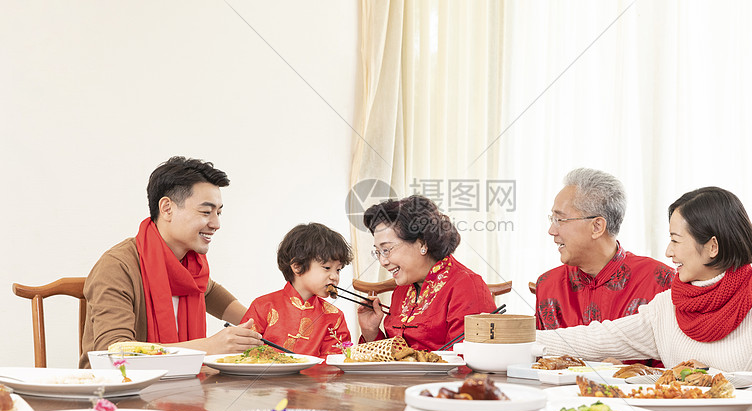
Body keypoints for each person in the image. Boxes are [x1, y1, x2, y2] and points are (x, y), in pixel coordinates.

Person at [535, 186, 752, 397]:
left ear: (712, 247)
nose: (668, 252)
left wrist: (706, 382)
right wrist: (514, 338)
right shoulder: (667, 307)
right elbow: (597, 338)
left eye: (675, 240)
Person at [79, 156, 261, 367]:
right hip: (118, 393)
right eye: (206, 212)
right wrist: (209, 347)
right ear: (167, 209)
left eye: (218, 213)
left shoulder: (193, 271)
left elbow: (245, 317)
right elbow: (113, 354)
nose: (216, 223)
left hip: (181, 388)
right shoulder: (117, 267)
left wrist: (275, 323)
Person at [535, 168, 674, 330]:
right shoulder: (548, 285)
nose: (551, 231)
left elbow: (677, 354)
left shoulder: (660, 281)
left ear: (597, 226)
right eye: (552, 219)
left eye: (559, 220)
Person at [357, 195, 496, 350]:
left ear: (422, 243)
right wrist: (370, 331)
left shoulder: (467, 287)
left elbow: (466, 362)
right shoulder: (402, 289)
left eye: (386, 249)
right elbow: (393, 357)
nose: (383, 261)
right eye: (378, 252)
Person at [242, 223, 353, 357]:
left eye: (338, 269)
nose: (334, 276)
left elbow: (335, 363)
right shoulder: (263, 306)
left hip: (315, 378)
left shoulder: (334, 317)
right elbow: (243, 351)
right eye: (327, 267)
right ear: (297, 267)